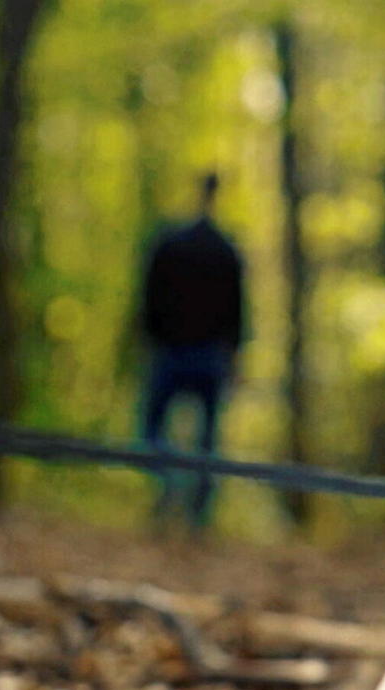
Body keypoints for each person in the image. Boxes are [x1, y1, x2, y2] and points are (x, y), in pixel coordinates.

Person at [139, 172, 245, 527]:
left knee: (152, 430)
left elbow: (148, 297)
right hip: (208, 356)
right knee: (207, 443)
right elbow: (238, 310)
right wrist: (234, 355)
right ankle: (197, 513)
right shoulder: (225, 248)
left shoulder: (169, 242)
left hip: (171, 352)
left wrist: (148, 340)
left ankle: (169, 482)